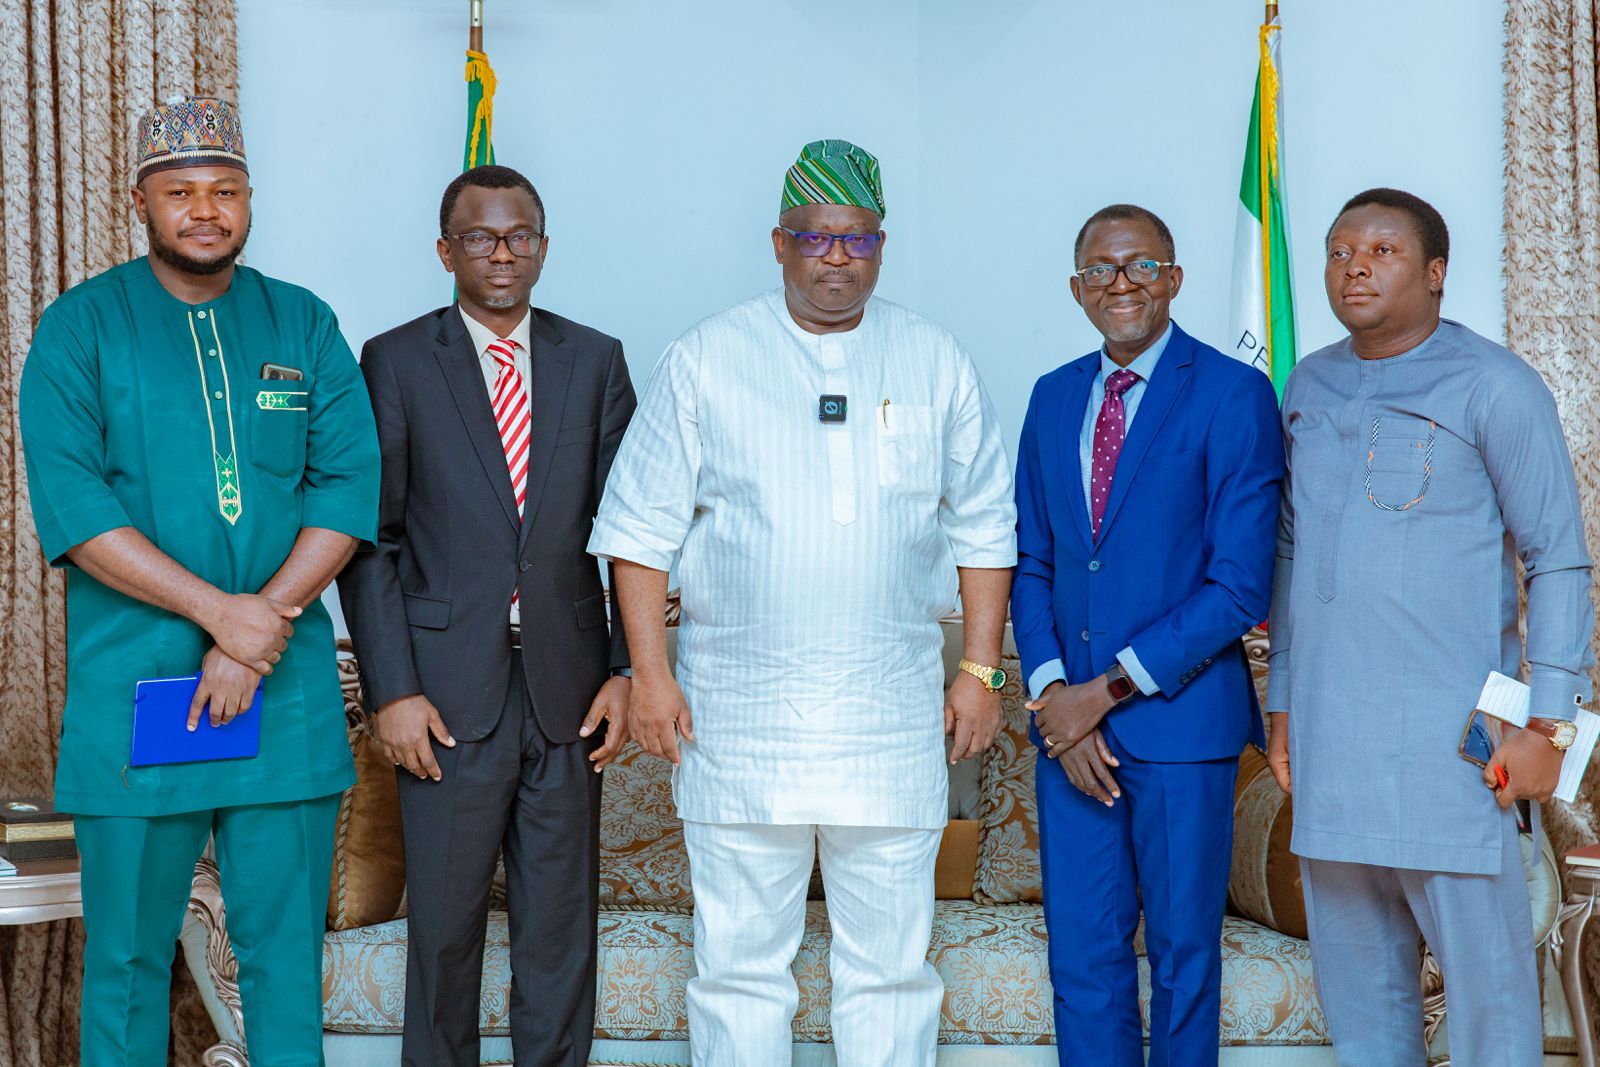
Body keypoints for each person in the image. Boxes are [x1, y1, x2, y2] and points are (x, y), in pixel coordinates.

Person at [587, 139, 1016, 1067]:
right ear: (777, 244)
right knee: (738, 967)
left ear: (881, 246)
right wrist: (650, 677)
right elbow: (637, 531)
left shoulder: (934, 357)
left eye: (855, 240)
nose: (834, 257)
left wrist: (980, 671)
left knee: (893, 971)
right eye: (814, 237)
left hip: (889, 719)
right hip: (738, 721)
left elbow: (986, 527)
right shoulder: (708, 356)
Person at [18, 95, 378, 1065]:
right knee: (129, 963)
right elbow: (79, 511)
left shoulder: (302, 323)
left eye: (224, 190)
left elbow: (349, 486)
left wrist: (261, 627)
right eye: (181, 192)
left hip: (283, 693)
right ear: (142, 200)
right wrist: (224, 615)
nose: (205, 210)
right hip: (137, 690)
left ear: (250, 199)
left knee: (284, 964)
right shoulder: (79, 330)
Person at [1265, 187, 1593, 1065]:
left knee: (1490, 1013)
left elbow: (1558, 557)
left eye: (1381, 251)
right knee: (1363, 1012)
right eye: (1338, 251)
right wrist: (1286, 698)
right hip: (1335, 747)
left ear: (1437, 273)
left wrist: (1547, 722)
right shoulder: (1310, 382)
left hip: (1456, 751)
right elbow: (1292, 556)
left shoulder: (1496, 384)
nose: (1353, 267)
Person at [337, 163, 635, 1067]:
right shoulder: (394, 359)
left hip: (569, 692)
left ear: (543, 247)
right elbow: (371, 538)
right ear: (445, 250)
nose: (501, 253)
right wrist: (392, 690)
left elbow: (631, 531)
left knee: (557, 937)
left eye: (519, 237)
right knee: (445, 933)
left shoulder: (595, 359)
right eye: (480, 237)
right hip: (443, 696)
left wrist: (626, 670)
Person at [1012, 204, 1283, 1067]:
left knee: (1182, 961)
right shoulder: (1054, 396)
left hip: (1180, 731)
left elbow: (1239, 585)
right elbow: (1032, 561)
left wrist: (1106, 691)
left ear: (1173, 277)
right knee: (1084, 961)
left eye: (1139, 265)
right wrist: (1059, 696)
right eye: (1100, 268)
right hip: (1071, 738)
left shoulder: (1234, 394)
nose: (1119, 282)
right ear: (1077, 289)